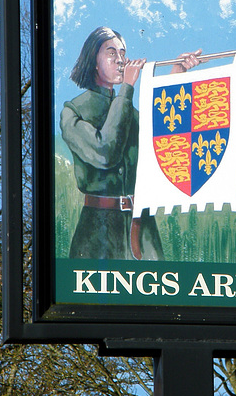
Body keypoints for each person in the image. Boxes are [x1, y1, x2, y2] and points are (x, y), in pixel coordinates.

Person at [60, 26, 201, 260]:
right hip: (98, 232)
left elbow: (165, 134)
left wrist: (178, 72)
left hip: (142, 230)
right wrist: (127, 88)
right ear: (93, 59)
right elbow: (105, 153)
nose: (121, 60)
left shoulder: (129, 112)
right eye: (111, 53)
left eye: (123, 53)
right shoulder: (73, 112)